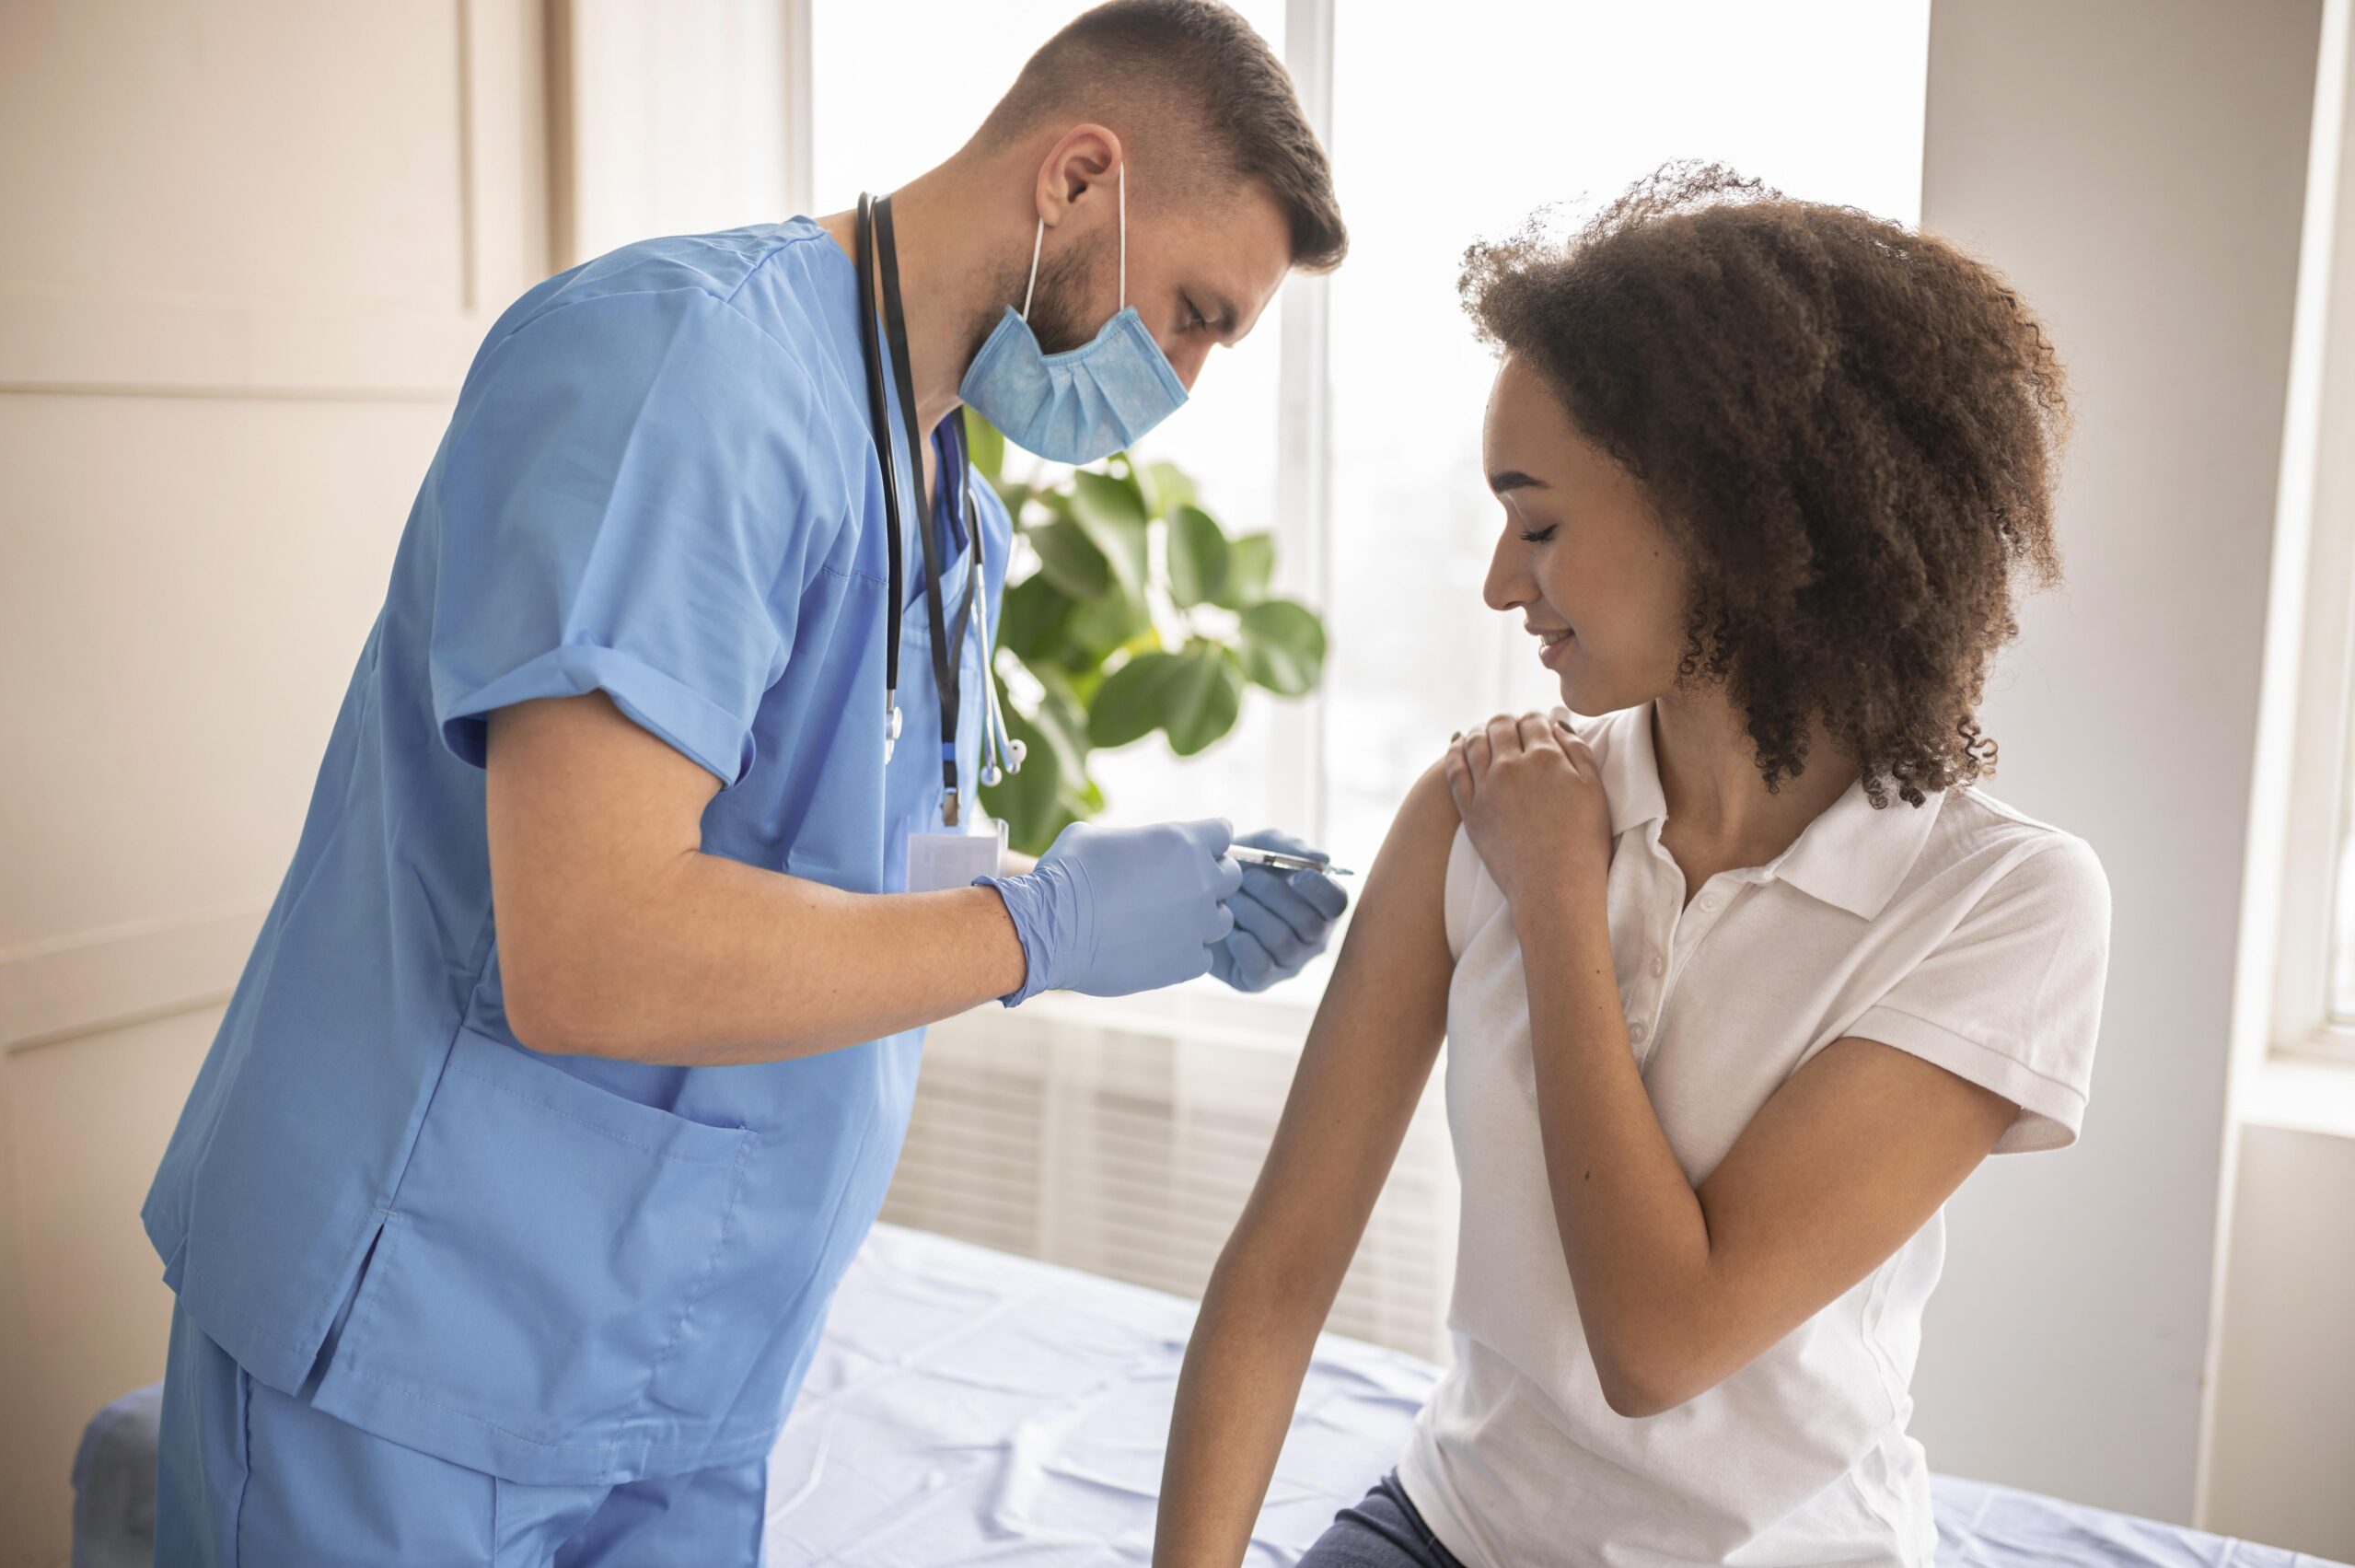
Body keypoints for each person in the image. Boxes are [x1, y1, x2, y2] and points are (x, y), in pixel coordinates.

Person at [141, 4, 1347, 1562]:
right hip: (421, 1345)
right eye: (1194, 313)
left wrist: (1087, 907)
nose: (1180, 376)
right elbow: (594, 950)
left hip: (688, 1367)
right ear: (1078, 181)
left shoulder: (941, 489)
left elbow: (822, 868)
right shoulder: (685, 369)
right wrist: (1039, 929)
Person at [1154, 165, 2112, 1568]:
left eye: (1539, 524)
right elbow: (1281, 1269)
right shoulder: (1476, 805)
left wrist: (1558, 905)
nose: (1498, 583)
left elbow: (1661, 1343)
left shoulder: (2000, 903)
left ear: (1731, 517)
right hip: (1452, 1528)